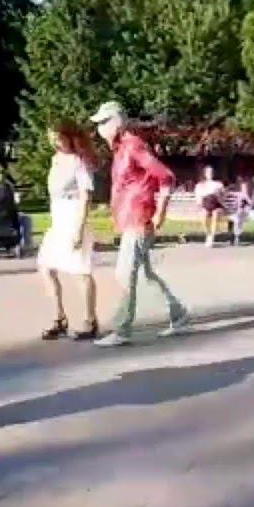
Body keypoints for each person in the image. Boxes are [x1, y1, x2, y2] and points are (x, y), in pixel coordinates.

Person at [88, 101, 190, 347]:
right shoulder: (120, 149)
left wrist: (161, 211)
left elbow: (165, 176)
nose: (99, 129)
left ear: (117, 122)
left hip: (139, 218)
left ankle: (122, 328)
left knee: (125, 273)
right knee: (145, 274)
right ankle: (178, 314)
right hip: (129, 219)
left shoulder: (133, 145)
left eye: (103, 123)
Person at [36, 123, 99, 340]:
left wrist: (79, 229)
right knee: (46, 267)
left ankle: (90, 320)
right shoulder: (56, 160)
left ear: (70, 137)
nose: (55, 142)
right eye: (52, 138)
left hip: (74, 217)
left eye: (59, 138)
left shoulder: (79, 161)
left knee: (80, 270)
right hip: (58, 219)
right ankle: (59, 318)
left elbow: (85, 196)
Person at [0, 163, 33, 255]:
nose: (1, 175)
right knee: (27, 219)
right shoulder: (8, 187)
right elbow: (14, 205)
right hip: (9, 219)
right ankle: (27, 246)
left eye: (2, 173)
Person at [193, 165, 226, 247]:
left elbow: (223, 196)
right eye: (208, 172)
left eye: (211, 172)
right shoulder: (200, 185)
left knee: (216, 214)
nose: (210, 174)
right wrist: (200, 206)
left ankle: (212, 237)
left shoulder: (218, 184)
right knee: (204, 215)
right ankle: (208, 234)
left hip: (216, 204)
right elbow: (198, 198)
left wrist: (219, 196)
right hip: (205, 204)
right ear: (205, 174)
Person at [231, 176, 254, 246]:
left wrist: (249, 204)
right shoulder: (240, 193)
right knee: (238, 218)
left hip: (252, 210)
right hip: (244, 210)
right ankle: (236, 237)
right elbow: (239, 203)